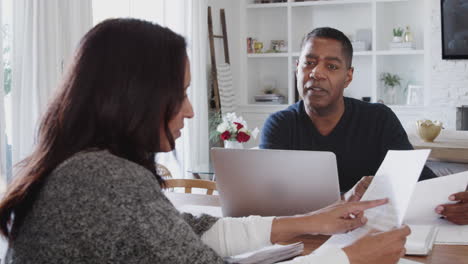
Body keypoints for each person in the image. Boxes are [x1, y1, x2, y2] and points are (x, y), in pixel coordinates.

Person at [0, 19, 410, 264]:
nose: (191, 110)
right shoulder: (103, 179)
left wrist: (312, 220)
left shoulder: (87, 166)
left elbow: (192, 231)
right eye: (180, 93)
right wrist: (350, 257)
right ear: (132, 97)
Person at [260, 27, 437, 193]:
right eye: (309, 63)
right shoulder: (280, 125)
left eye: (331, 66)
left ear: (348, 76)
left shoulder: (379, 119)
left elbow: (418, 179)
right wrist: (345, 202)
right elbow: (270, 196)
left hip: (371, 223)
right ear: (297, 69)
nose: (316, 73)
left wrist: (455, 197)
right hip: (305, 224)